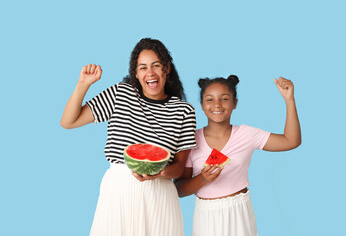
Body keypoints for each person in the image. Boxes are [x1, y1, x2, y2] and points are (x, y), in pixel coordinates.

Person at [60, 38, 197, 236]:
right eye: (142, 68)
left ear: (166, 68)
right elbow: (68, 122)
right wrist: (83, 85)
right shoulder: (120, 94)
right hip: (118, 192)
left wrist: (161, 173)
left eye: (156, 65)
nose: (150, 73)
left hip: (160, 197)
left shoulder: (184, 111)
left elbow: (179, 167)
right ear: (136, 73)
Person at [175, 75, 301, 236]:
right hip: (206, 216)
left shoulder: (247, 134)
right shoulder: (190, 140)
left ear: (235, 103)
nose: (217, 105)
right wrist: (202, 179)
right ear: (201, 105)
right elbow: (179, 189)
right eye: (209, 99)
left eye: (224, 99)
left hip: (239, 211)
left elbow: (291, 141)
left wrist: (289, 100)